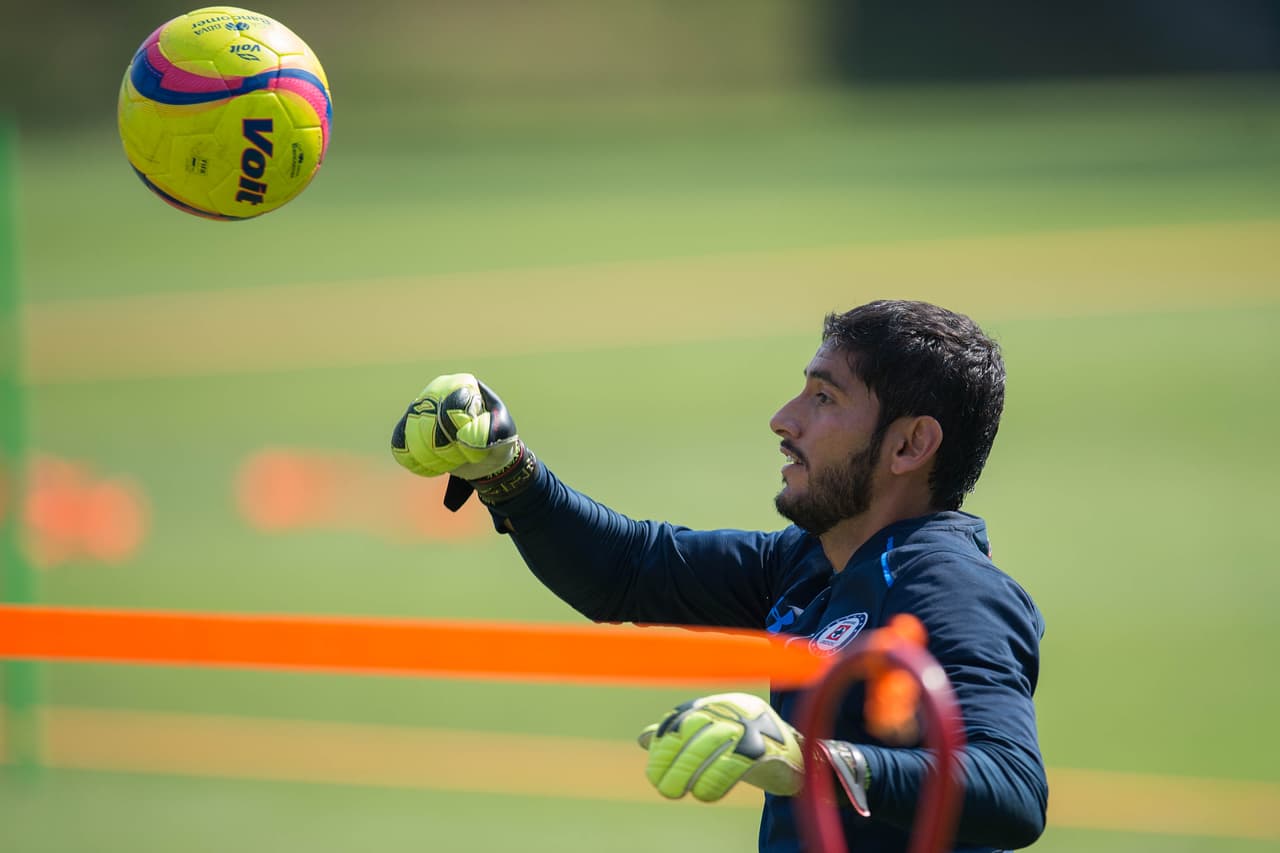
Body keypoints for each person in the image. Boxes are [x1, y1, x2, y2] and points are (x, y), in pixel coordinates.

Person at [391, 299, 1047, 852]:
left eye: (824, 397)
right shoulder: (810, 560)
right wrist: (505, 469)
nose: (785, 419)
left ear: (909, 445)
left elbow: (1013, 786)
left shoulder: (950, 586)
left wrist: (808, 759)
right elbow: (626, 572)